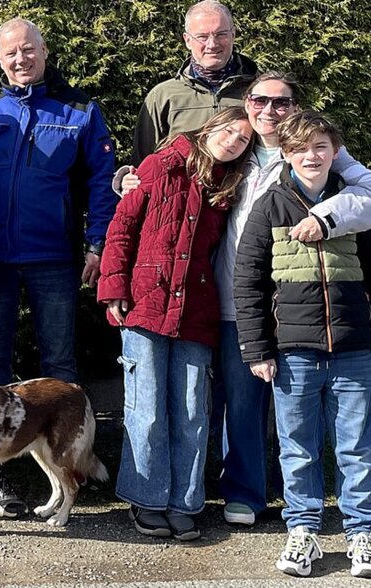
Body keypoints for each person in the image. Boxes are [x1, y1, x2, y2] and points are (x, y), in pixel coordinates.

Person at [121, 72, 371, 527]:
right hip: (238, 297)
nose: (269, 111)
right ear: (246, 102)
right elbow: (171, 185)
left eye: (281, 102)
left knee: (297, 406)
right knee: (240, 400)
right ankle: (245, 491)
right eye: (260, 100)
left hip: (303, 303)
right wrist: (131, 179)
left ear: (296, 107)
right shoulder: (235, 155)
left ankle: (302, 501)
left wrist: (326, 214)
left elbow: (368, 193)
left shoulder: (316, 151)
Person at [0, 18, 117, 517]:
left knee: (60, 371)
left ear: (45, 53)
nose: (20, 59)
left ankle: (71, 466)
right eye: (11, 53)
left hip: (55, 258)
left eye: (29, 50)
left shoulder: (78, 112)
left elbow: (101, 182)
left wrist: (97, 245)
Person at [99, 107, 254, 541]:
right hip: (145, 303)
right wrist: (114, 286)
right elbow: (123, 226)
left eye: (243, 140)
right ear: (211, 127)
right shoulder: (161, 164)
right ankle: (147, 499)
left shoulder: (228, 185)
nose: (232, 142)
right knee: (146, 407)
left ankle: (185, 501)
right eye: (228, 131)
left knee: (191, 409)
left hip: (196, 310)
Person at [234, 111, 371, 578]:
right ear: (286, 156)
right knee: (298, 448)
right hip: (292, 352)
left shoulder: (355, 203)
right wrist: (256, 350)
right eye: (299, 150)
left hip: (355, 349)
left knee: (356, 447)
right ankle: (304, 531)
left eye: (320, 148)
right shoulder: (269, 205)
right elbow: (248, 282)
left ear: (336, 152)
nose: (311, 157)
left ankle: (362, 533)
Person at [132, 1, 257, 164]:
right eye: (202, 37)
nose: (212, 44)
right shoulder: (163, 96)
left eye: (221, 34)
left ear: (233, 35)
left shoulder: (260, 92)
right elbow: (143, 164)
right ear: (187, 40)